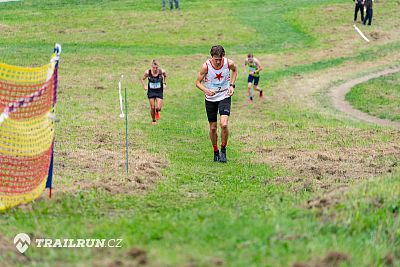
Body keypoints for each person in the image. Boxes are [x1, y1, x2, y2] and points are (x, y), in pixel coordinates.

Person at [195, 45, 237, 163]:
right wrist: (206, 90)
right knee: (213, 128)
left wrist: (232, 86)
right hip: (210, 99)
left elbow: (235, 71)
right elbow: (197, 83)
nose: (218, 62)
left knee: (223, 124)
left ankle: (223, 150)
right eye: (215, 59)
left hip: (224, 96)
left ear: (223, 56)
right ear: (211, 57)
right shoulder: (206, 66)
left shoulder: (229, 63)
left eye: (220, 59)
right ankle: (216, 151)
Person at [140, 60, 167, 125]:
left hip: (159, 91)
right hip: (151, 91)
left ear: (158, 67)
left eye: (156, 67)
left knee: (158, 107)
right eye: (153, 67)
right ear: (151, 66)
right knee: (152, 107)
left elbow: (165, 76)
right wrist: (144, 86)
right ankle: (153, 120)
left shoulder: (162, 71)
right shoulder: (147, 72)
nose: (155, 69)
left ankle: (157, 111)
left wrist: (164, 83)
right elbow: (142, 79)